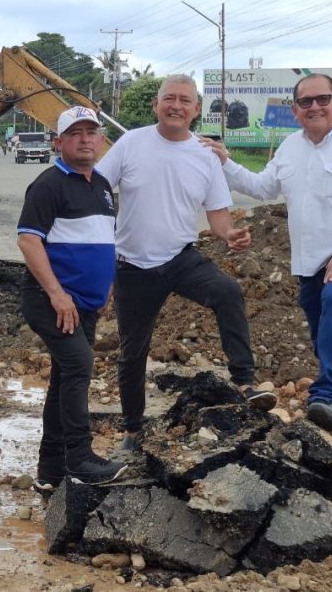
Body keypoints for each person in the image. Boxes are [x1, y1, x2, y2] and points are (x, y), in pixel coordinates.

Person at [204, 73, 332, 451]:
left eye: (323, 99)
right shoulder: (290, 147)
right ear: (295, 110)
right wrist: (225, 162)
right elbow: (263, 187)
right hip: (310, 264)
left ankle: (325, 393)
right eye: (306, 102)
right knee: (330, 344)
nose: (315, 107)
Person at [95, 74, 277, 452]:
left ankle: (245, 381)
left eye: (185, 101)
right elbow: (96, 189)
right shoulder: (131, 143)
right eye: (169, 99)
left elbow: (219, 218)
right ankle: (132, 430)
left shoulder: (205, 156)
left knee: (227, 291)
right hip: (133, 266)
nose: (176, 106)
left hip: (181, 258)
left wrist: (230, 235)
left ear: (196, 110)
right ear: (156, 105)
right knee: (132, 351)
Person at [17, 105, 128, 495]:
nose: (85, 139)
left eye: (91, 132)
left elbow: (102, 239)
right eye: (75, 133)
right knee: (79, 365)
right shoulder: (48, 185)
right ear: (59, 141)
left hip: (86, 303)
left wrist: (106, 285)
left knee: (65, 377)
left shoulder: (100, 185)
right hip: (51, 301)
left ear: (100, 139)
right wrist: (57, 294)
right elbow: (29, 240)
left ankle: (50, 471)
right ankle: (80, 460)